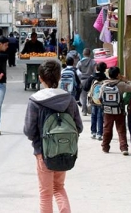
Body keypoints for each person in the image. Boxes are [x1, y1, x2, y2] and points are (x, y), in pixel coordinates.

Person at [23, 60, 83, 213]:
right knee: (59, 187)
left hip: (43, 152)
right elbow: (79, 127)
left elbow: (29, 131)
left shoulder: (35, 100)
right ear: (59, 77)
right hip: (64, 150)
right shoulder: (69, 99)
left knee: (45, 193)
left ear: (40, 78)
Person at [101, 66, 131, 155]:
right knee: (121, 129)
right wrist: (125, 80)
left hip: (107, 111)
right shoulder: (121, 85)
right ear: (118, 75)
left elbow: (100, 98)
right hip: (119, 110)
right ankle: (124, 148)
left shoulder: (104, 85)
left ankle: (105, 147)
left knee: (107, 129)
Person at [82, 62, 108, 140]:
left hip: (93, 99)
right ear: (104, 69)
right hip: (101, 100)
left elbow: (85, 87)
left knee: (93, 115)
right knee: (100, 116)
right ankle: (99, 133)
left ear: (96, 68)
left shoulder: (92, 77)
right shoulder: (105, 78)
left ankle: (93, 132)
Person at [76, 48, 96, 116]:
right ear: (90, 54)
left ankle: (84, 111)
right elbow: (95, 72)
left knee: (83, 97)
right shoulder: (93, 62)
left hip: (82, 81)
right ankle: (91, 109)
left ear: (83, 54)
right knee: (91, 95)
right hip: (91, 81)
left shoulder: (79, 62)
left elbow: (77, 72)